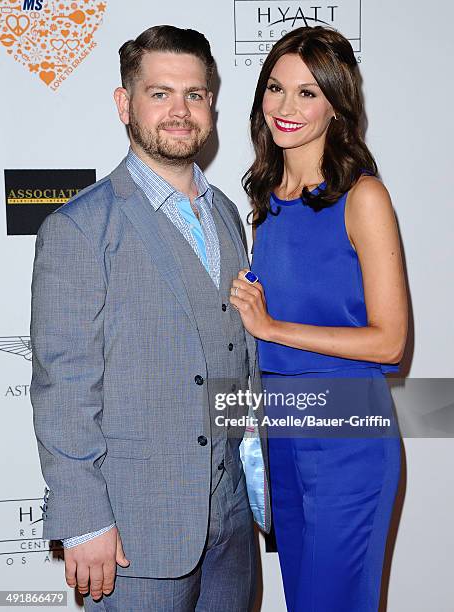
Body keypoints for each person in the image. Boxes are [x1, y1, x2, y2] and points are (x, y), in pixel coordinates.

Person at [30, 25, 270, 612]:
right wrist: (84, 521)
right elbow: (64, 385)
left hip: (231, 521)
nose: (180, 111)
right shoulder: (80, 228)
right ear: (124, 104)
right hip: (134, 530)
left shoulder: (226, 215)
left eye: (195, 94)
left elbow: (234, 358)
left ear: (211, 104)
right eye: (159, 93)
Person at [230, 26, 408, 611]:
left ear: (337, 104)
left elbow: (390, 343)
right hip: (279, 431)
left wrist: (272, 327)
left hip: (348, 436)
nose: (286, 107)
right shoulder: (264, 201)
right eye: (276, 89)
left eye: (308, 93)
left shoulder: (363, 196)